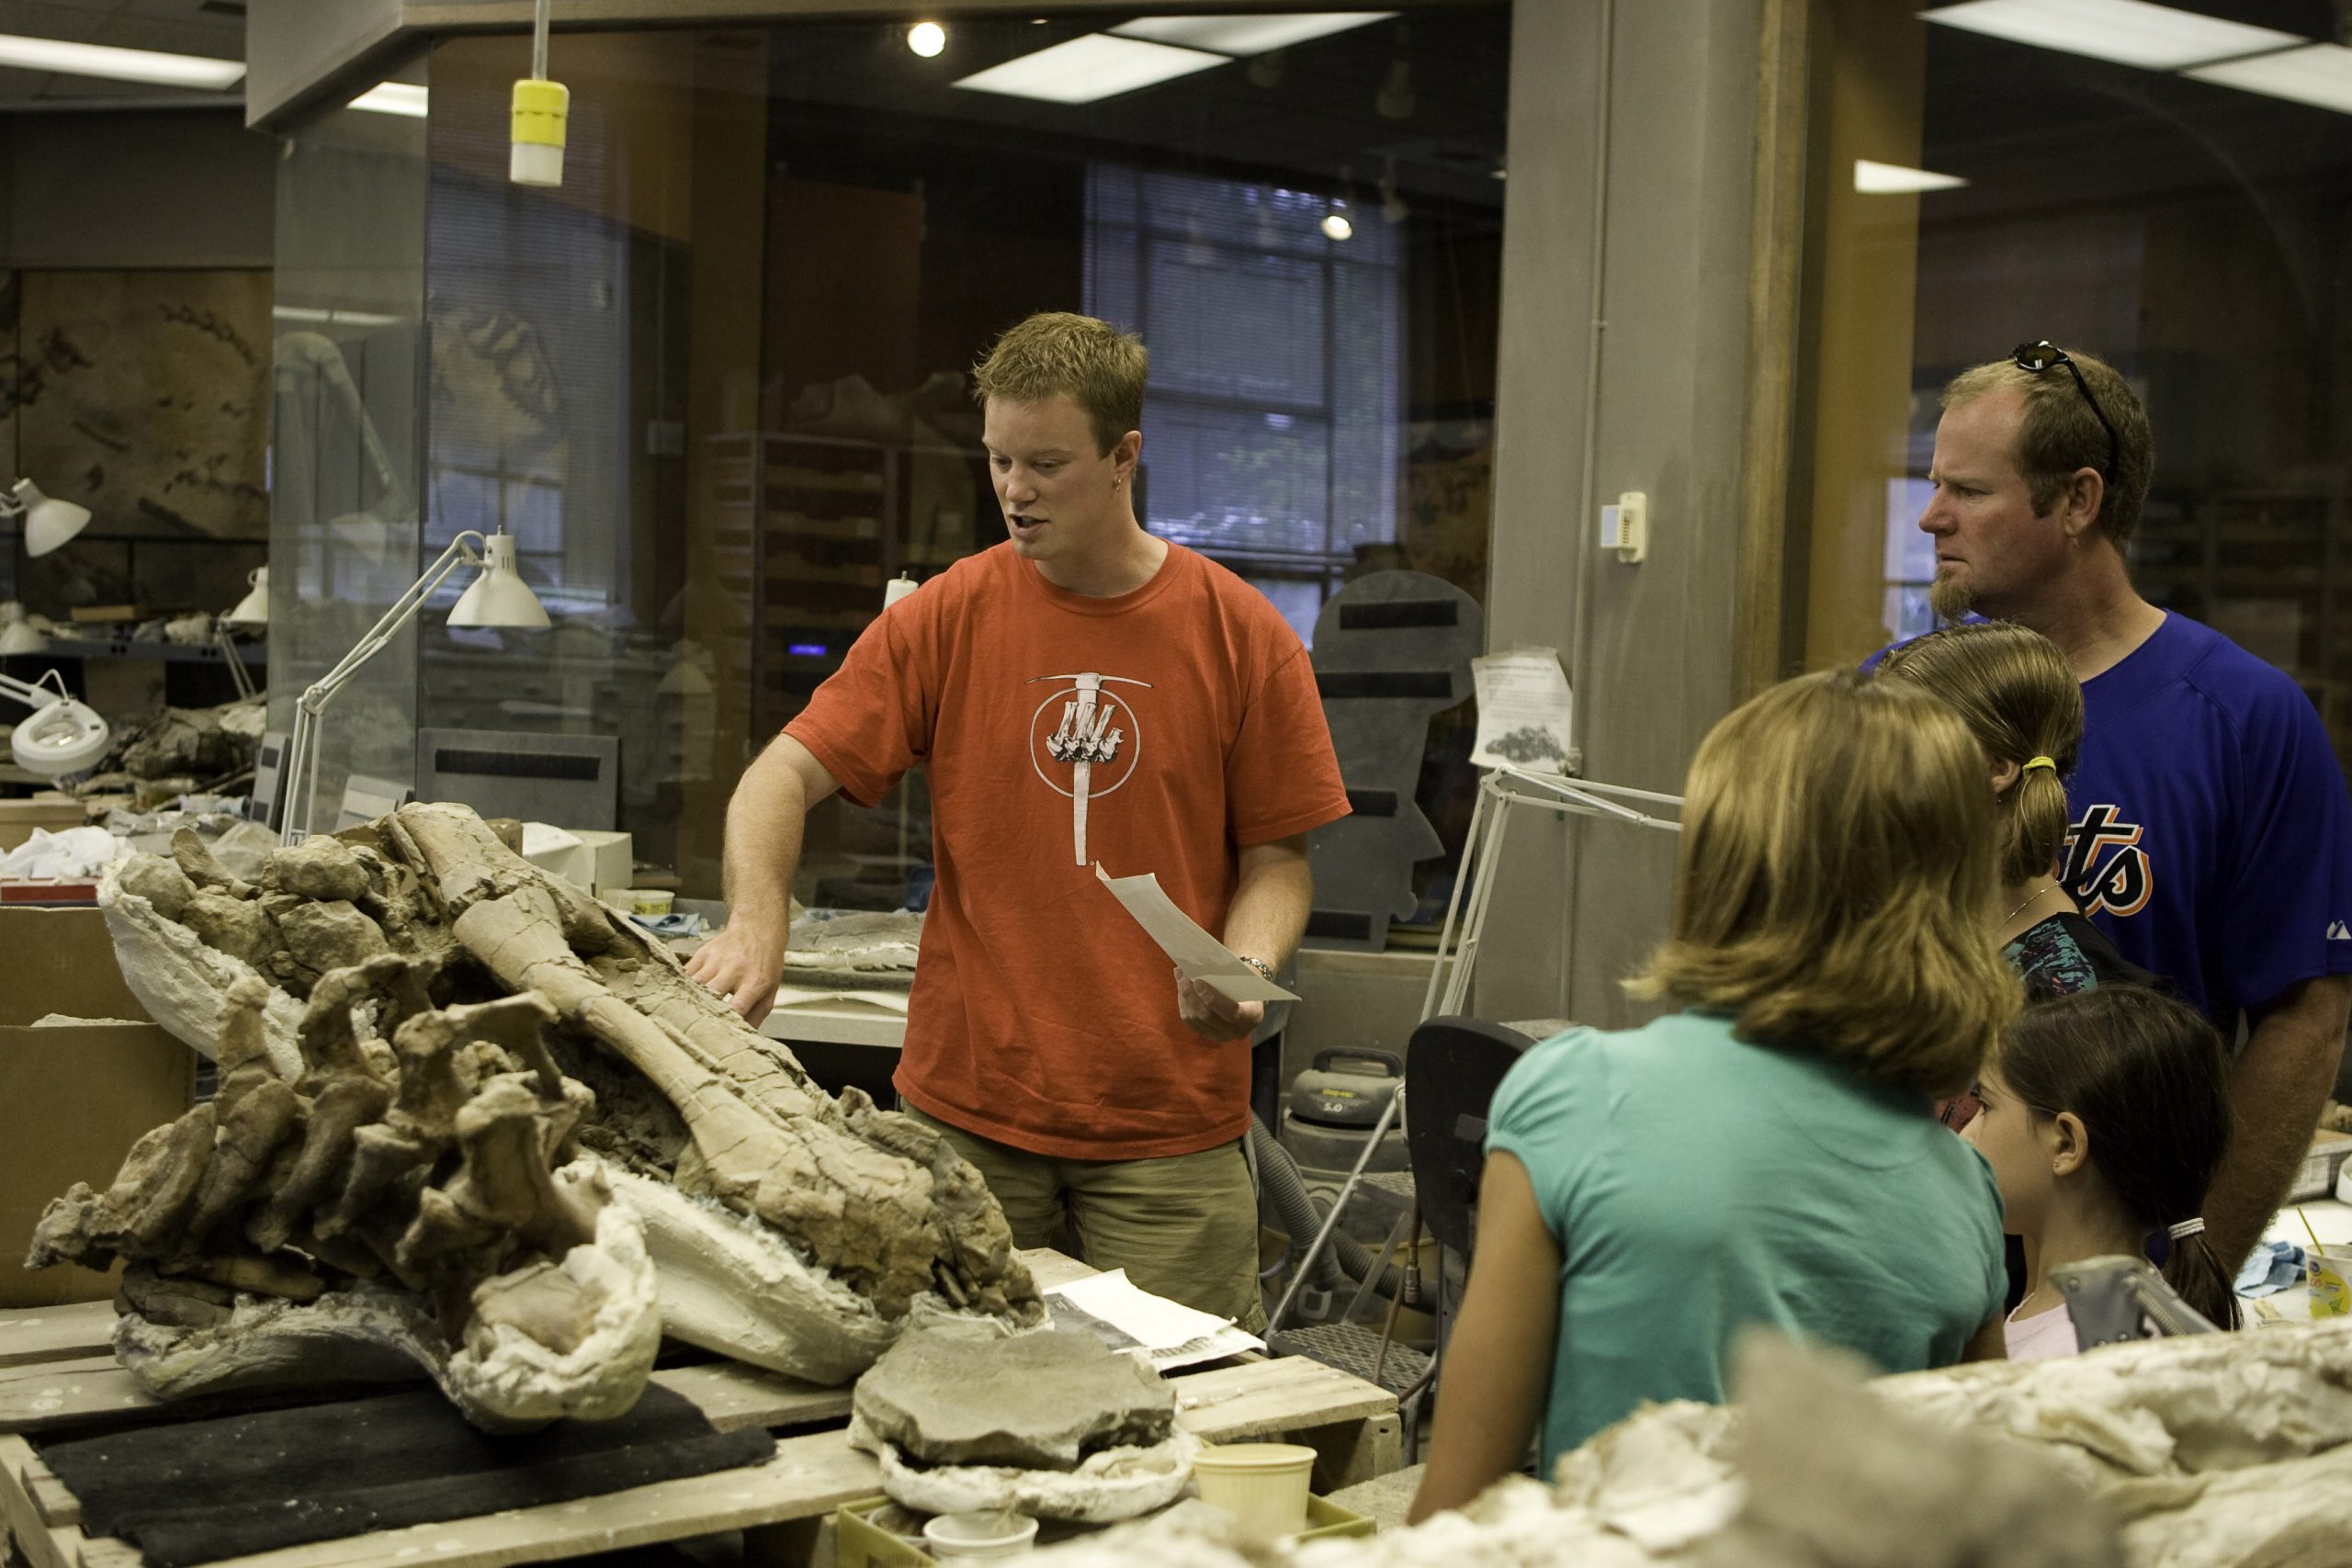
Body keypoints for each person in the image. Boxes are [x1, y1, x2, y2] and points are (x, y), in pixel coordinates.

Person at [684, 312, 1350, 1327]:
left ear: (1124, 457)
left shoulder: (1239, 633)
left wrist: (1244, 968)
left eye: (1046, 463)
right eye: (998, 459)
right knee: (945, 1386)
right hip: (970, 1117)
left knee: (1194, 1408)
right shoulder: (947, 616)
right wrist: (753, 920)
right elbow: (778, 777)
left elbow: (1278, 859)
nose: (1013, 489)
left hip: (1168, 1127)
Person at [1408, 671, 2015, 1522]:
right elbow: (1981, 1512)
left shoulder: (1580, 1093)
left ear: (1724, 864)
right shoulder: (1965, 1186)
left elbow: (1455, 1513)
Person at [1917, 341, 2352, 1269]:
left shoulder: (2244, 719)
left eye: (1968, 491)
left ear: (2078, 500)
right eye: (1933, 485)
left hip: (2107, 1255)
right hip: (1906, 1247)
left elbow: (2302, 1019)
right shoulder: (1893, 703)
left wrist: (2199, 1262)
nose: (1930, 517)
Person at [1878, 620, 2155, 998]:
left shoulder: (2068, 993)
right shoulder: (1925, 916)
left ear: (1995, 769)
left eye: (1902, 746)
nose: (1874, 769)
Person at [1963, 985, 2240, 1359]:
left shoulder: (2074, 1358)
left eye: (1985, 1106)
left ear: (2065, 1144)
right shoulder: (2081, 1312)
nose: (1965, 1134)